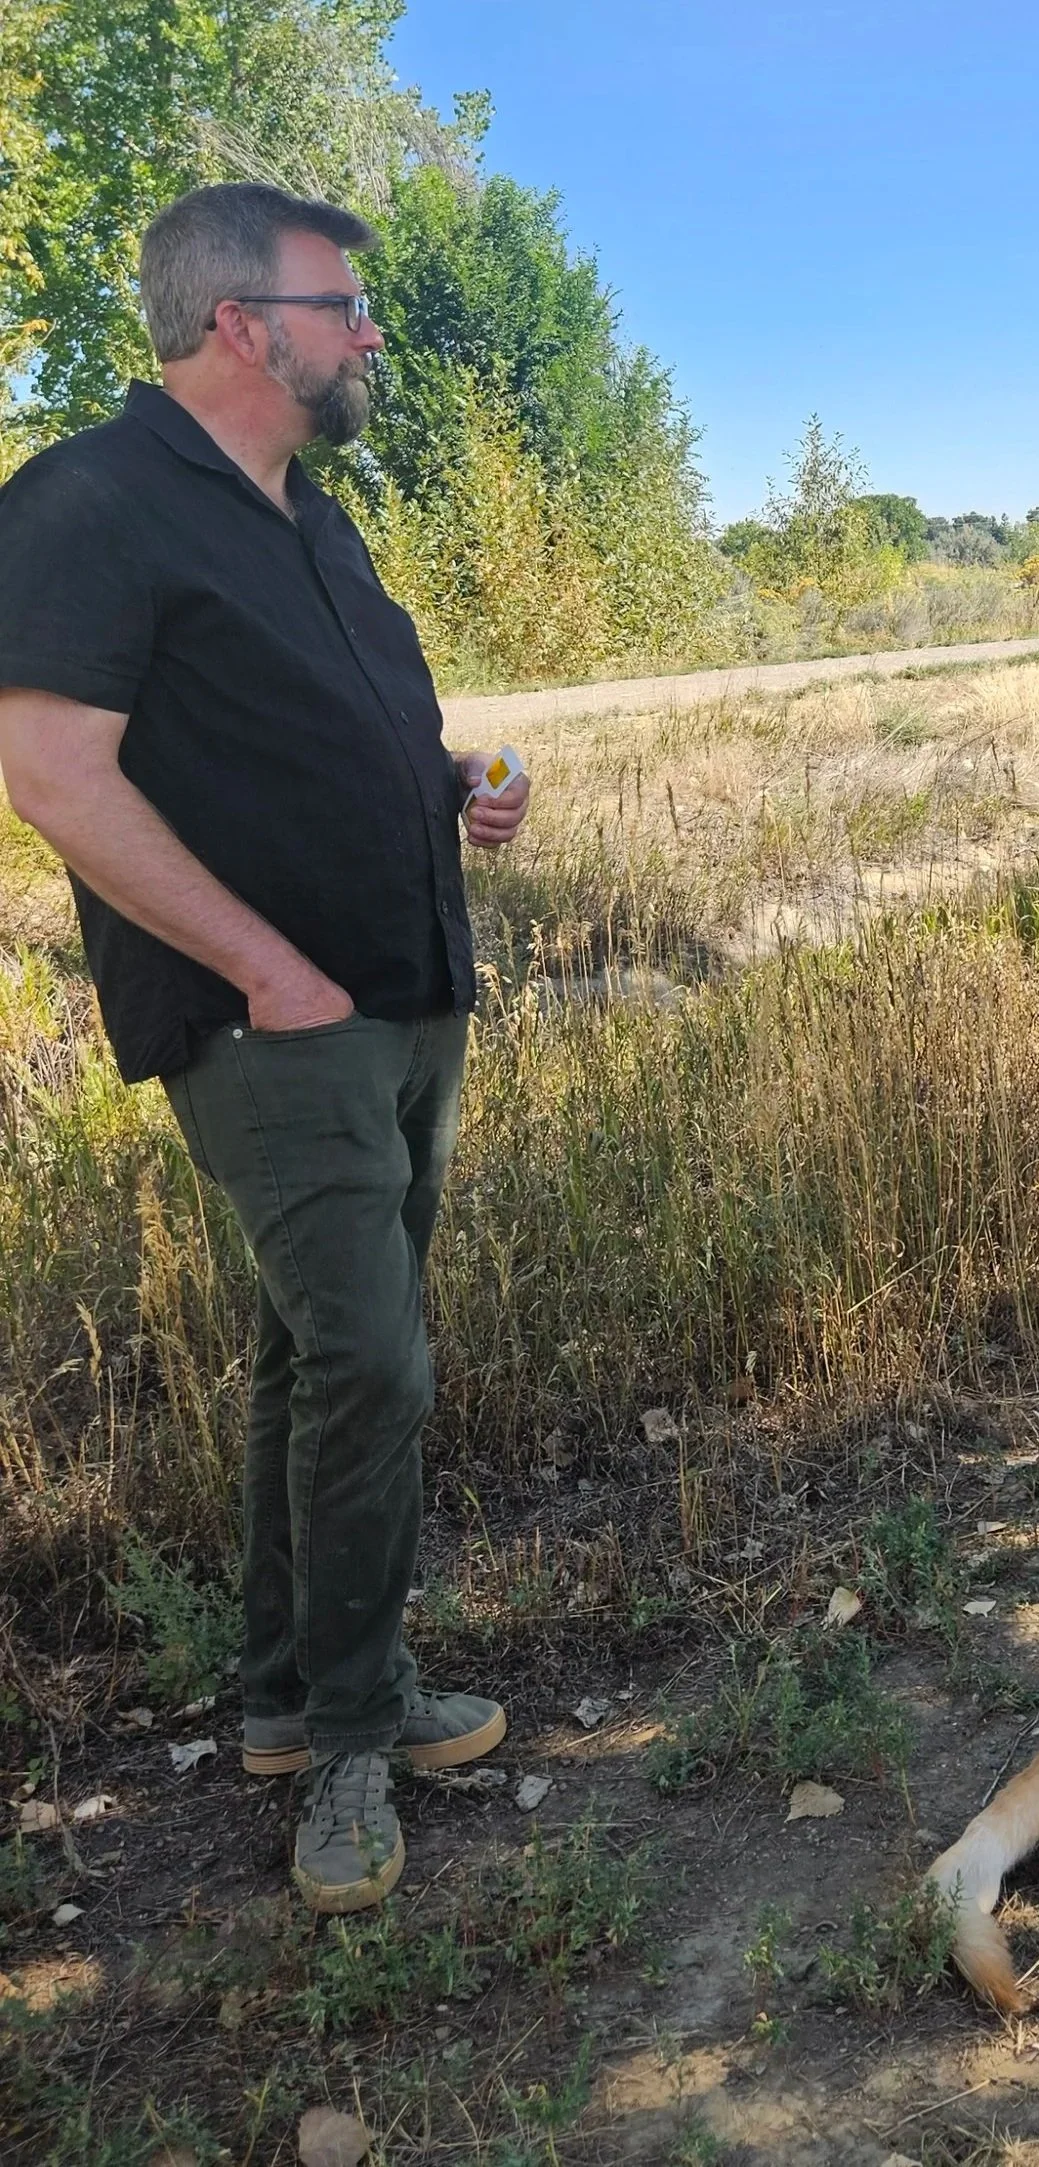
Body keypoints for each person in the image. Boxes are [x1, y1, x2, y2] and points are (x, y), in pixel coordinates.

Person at [0, 184, 531, 1914]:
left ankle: (286, 1702)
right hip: (266, 1020)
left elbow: (341, 737)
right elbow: (58, 777)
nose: (370, 330)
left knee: (316, 1360)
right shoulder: (86, 500)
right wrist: (264, 971)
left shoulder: (314, 516)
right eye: (344, 304)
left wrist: (460, 788)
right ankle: (359, 1735)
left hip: (403, 991)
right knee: (374, 1363)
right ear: (244, 323)